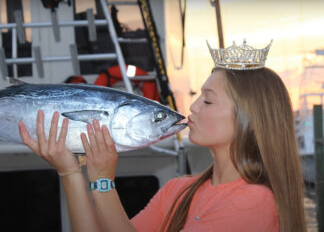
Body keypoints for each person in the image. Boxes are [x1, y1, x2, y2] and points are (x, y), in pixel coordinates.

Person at [18, 40, 306, 232]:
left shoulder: (255, 202)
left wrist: (103, 182)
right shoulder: (179, 189)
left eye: (207, 100)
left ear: (251, 119)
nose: (192, 106)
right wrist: (70, 172)